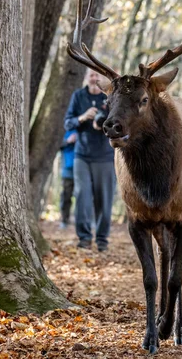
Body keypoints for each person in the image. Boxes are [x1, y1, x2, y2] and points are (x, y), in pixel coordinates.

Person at [64, 69, 116, 251]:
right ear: (87, 77)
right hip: (82, 155)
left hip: (105, 156)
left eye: (98, 76)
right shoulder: (78, 96)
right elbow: (68, 123)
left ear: (103, 80)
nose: (94, 79)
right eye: (91, 75)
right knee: (82, 196)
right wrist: (83, 117)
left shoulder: (111, 97)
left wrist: (102, 123)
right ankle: (84, 239)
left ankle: (102, 240)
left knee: (104, 199)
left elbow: (120, 123)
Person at [59, 129, 77, 229]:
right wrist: (68, 141)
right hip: (67, 170)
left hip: (83, 170)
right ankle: (64, 220)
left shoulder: (82, 129)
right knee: (66, 196)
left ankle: (82, 221)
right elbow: (57, 145)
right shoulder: (65, 131)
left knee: (83, 197)